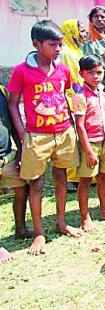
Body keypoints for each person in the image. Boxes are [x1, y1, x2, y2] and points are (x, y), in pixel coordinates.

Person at [8, 20, 82, 255]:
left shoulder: (62, 69)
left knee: (61, 176)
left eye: (60, 44)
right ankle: (39, 232)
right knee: (36, 183)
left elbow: (68, 94)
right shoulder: (22, 71)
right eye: (53, 45)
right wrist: (22, 134)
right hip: (36, 136)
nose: (58, 49)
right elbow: (12, 104)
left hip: (63, 132)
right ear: (36, 44)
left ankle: (61, 222)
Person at [74, 55, 105, 231]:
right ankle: (84, 217)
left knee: (104, 177)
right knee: (86, 180)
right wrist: (88, 151)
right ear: (82, 73)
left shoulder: (102, 92)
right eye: (91, 72)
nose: (96, 76)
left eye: (99, 72)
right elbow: (80, 125)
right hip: (91, 143)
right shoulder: (80, 96)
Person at [0, 85, 31, 264]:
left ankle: (20, 229)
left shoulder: (2, 91)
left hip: (6, 155)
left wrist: (20, 149)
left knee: (22, 189)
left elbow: (10, 123)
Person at [60, 19, 89, 192]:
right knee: (76, 136)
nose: (84, 34)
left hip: (79, 96)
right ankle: (72, 177)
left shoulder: (75, 50)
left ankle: (82, 174)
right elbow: (73, 80)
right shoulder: (67, 53)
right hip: (74, 97)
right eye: (82, 31)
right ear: (72, 33)